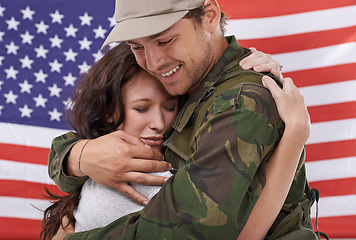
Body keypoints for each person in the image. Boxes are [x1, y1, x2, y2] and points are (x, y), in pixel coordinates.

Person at [48, 0, 316, 239]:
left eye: (164, 40)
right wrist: (76, 157)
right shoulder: (185, 81)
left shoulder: (238, 101)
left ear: (209, 15)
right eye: (136, 46)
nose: (152, 62)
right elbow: (86, 138)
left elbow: (189, 228)